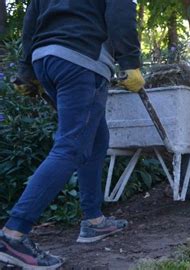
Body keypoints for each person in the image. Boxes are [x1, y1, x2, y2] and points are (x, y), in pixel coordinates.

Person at [0, 1, 145, 268]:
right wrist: (130, 61)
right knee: (71, 147)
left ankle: (93, 221)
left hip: (46, 59)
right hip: (81, 58)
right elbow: (120, 11)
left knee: (97, 139)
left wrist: (26, 70)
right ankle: (14, 235)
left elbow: (31, 19)